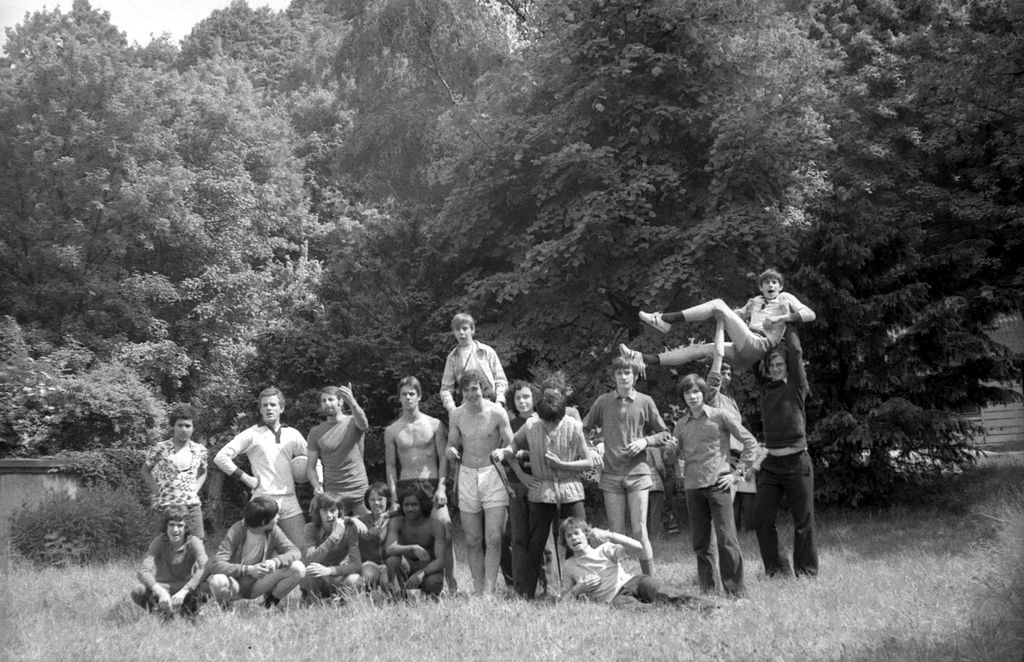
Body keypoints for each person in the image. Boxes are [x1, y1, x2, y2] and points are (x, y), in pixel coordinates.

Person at [493, 389, 595, 599]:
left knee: (580, 538)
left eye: (554, 421)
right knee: (535, 542)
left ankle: (584, 590)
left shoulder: (574, 426)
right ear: (539, 416)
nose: (550, 426)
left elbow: (589, 462)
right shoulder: (530, 425)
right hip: (542, 490)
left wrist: (563, 464)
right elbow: (512, 447)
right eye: (546, 421)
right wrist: (504, 454)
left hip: (570, 488)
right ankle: (525, 593)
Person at [620, 269, 815, 374]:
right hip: (743, 352)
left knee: (718, 304)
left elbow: (809, 314)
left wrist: (781, 318)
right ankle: (644, 359)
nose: (770, 285)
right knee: (700, 349)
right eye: (766, 282)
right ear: (761, 287)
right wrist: (723, 314)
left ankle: (664, 319)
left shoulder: (785, 298)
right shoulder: (754, 302)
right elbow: (734, 315)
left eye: (774, 282)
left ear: (780, 286)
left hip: (760, 344)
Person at [581, 356, 674, 576]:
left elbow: (665, 433)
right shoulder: (603, 401)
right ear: (613, 376)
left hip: (638, 474)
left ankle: (650, 581)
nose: (624, 377)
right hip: (611, 475)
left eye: (628, 373)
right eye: (619, 373)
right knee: (615, 533)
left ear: (634, 376)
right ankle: (617, 581)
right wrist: (592, 450)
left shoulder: (645, 401)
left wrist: (645, 441)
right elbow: (582, 428)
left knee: (639, 530)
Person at [674, 372, 759, 597]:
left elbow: (750, 442)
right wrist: (669, 451)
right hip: (692, 487)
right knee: (701, 543)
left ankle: (736, 593)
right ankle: (709, 592)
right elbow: (674, 457)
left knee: (727, 540)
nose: (692, 397)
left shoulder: (720, 416)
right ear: (682, 397)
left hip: (718, 485)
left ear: (703, 393)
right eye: (687, 392)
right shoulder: (681, 424)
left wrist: (737, 472)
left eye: (696, 392)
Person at [755, 325, 819, 577]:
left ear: (788, 366)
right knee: (761, 518)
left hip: (797, 462)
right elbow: (754, 355)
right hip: (771, 464)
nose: (775, 368)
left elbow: (795, 352)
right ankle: (777, 571)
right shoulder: (765, 386)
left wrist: (789, 321)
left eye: (780, 364)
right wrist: (757, 328)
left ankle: (806, 573)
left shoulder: (796, 385)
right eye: (772, 365)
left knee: (804, 520)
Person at [384, 376, 456, 591]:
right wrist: (394, 498)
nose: (408, 398)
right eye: (404, 394)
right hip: (406, 484)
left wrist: (442, 486)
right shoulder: (392, 431)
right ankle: (397, 585)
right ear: (399, 398)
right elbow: (390, 466)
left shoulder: (435, 425)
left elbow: (443, 458)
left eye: (411, 394)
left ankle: (451, 582)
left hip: (430, 482)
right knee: (399, 535)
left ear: (419, 396)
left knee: (446, 529)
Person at [445, 369, 514, 595]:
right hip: (466, 474)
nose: (471, 394)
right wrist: (451, 451)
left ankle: (489, 591)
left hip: (492, 473)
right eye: (466, 390)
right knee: (473, 539)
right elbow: (451, 444)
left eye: (474, 388)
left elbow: (512, 445)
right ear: (461, 392)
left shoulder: (496, 412)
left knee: (494, 537)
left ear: (482, 388)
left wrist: (503, 452)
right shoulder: (457, 414)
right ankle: (477, 588)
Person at [214, 387, 308, 547]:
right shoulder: (251, 434)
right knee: (253, 556)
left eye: (272, 404)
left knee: (303, 550)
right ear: (260, 409)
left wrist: (317, 483)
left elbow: (312, 460)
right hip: (262, 500)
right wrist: (245, 478)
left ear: (282, 408)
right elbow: (220, 457)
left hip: (289, 499)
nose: (269, 408)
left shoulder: (293, 434)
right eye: (264, 405)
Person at [557, 517, 711, 611]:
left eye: (577, 533)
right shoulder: (569, 565)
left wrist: (610, 535)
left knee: (663, 592)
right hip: (614, 598)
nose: (574, 538)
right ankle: (672, 611)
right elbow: (561, 603)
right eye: (569, 536)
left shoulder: (604, 550)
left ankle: (706, 607)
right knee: (636, 609)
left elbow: (637, 547)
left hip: (634, 582)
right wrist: (578, 589)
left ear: (586, 534)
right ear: (566, 542)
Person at [206, 496, 305, 609]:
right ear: (263, 521)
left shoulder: (273, 530)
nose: (278, 517)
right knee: (218, 581)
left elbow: (295, 551)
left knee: (298, 568)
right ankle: (227, 608)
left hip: (258, 583)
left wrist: (275, 562)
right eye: (275, 515)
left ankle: (267, 606)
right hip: (234, 584)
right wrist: (248, 570)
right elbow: (217, 564)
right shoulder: (236, 530)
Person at [142, 405, 207, 539]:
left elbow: (203, 471)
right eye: (180, 425)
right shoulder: (160, 448)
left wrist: (195, 488)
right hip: (166, 505)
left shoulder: (200, 450)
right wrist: (158, 492)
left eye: (188, 426)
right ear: (174, 426)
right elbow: (145, 471)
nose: (183, 429)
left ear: (193, 428)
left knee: (197, 542)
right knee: (164, 544)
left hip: (191, 505)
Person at [130, 506, 207, 618]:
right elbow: (143, 571)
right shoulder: (159, 541)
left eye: (180, 525)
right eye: (171, 525)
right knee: (138, 590)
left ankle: (191, 611)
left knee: (209, 584)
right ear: (166, 526)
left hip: (186, 588)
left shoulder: (194, 542)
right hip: (164, 587)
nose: (175, 530)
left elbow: (205, 567)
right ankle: (162, 613)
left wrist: (185, 591)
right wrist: (161, 592)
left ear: (186, 528)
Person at [307, 384, 370, 516]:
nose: (327, 403)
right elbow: (311, 467)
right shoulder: (315, 432)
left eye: (331, 399)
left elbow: (364, 424)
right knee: (338, 533)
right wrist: (317, 487)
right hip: (334, 494)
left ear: (341, 402)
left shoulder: (353, 421)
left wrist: (352, 402)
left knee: (367, 532)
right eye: (324, 401)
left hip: (359, 489)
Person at [499, 380, 537, 593]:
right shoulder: (509, 424)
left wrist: (522, 456)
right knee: (516, 536)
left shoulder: (542, 420)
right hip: (516, 483)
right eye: (518, 398)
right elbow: (504, 456)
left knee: (542, 537)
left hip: (541, 483)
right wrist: (522, 467)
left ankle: (546, 583)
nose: (522, 401)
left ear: (534, 398)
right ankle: (518, 584)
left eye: (526, 397)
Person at [300, 491, 366, 602]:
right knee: (308, 571)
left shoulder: (348, 529)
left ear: (339, 512)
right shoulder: (310, 528)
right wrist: (333, 537)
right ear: (318, 511)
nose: (329, 515)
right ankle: (313, 602)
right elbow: (310, 558)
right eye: (324, 510)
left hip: (338, 574)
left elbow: (356, 564)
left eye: (332, 510)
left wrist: (329, 571)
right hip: (318, 575)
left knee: (356, 580)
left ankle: (337, 599)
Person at [440, 312, 508, 415]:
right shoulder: (452, 358)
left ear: (472, 330)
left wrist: (499, 403)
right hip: (467, 408)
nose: (461, 333)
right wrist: (452, 409)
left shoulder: (486, 351)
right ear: (454, 332)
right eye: (457, 329)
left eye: (465, 328)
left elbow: (501, 380)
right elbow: (446, 389)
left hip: (491, 404)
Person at [385, 487, 446, 598]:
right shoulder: (397, 521)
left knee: (433, 583)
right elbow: (389, 549)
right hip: (406, 565)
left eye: (414, 505)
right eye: (406, 505)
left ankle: (424, 595)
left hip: (428, 568)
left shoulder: (435, 525)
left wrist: (422, 573)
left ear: (422, 505)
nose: (410, 509)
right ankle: (398, 595)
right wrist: (413, 547)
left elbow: (441, 560)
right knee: (392, 560)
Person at [356, 483, 392, 592]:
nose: (376, 503)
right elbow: (342, 519)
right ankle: (370, 605)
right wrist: (353, 520)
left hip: (390, 563)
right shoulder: (361, 520)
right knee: (367, 578)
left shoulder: (395, 519)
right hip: (370, 563)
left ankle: (394, 604)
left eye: (380, 499)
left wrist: (386, 516)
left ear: (387, 500)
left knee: (387, 581)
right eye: (372, 500)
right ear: (367, 502)